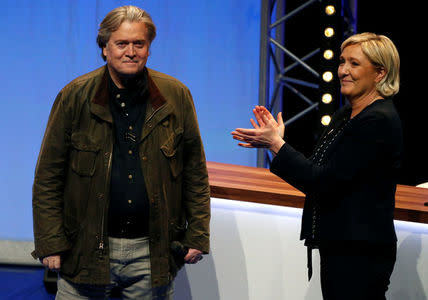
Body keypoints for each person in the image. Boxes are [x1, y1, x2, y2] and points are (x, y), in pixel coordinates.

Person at [32, 5, 210, 300]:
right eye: (121, 43)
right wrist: (50, 242)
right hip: (85, 250)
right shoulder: (74, 96)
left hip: (151, 253)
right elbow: (48, 176)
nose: (131, 51)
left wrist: (198, 233)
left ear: (149, 48)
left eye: (139, 43)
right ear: (104, 48)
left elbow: (195, 172)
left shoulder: (176, 95)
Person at [232, 32, 402, 300]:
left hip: (360, 253)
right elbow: (319, 167)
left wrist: (277, 145)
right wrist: (279, 141)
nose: (343, 71)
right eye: (342, 61)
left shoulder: (378, 121)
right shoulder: (346, 114)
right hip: (340, 245)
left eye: (354, 64)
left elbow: (321, 181)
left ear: (380, 73)